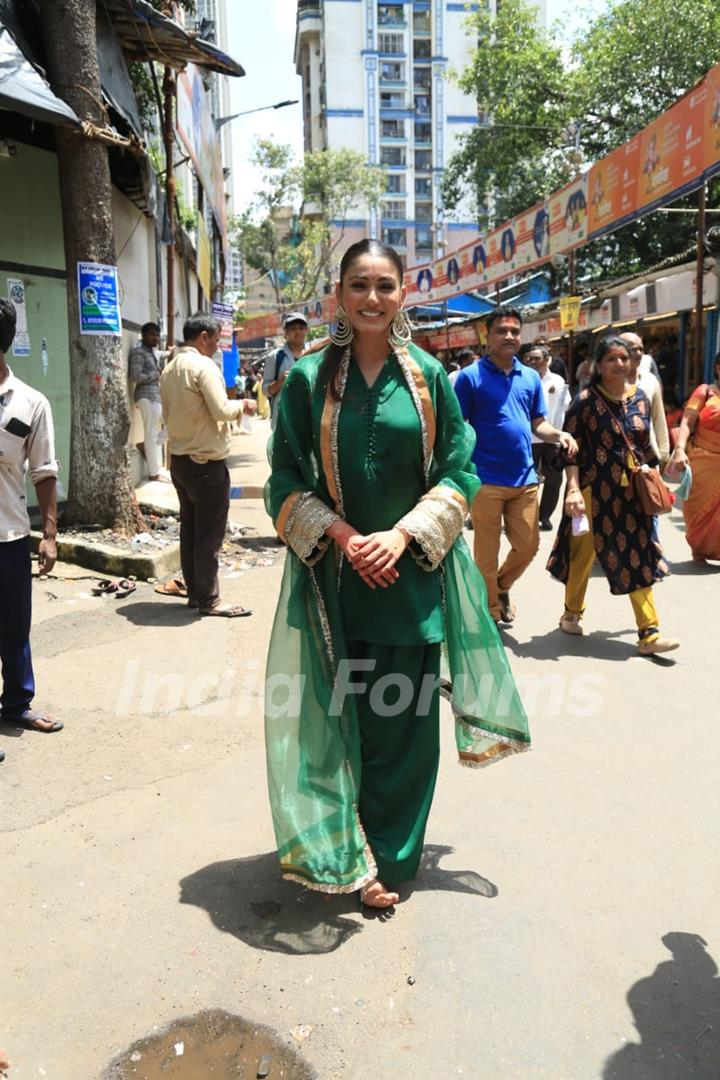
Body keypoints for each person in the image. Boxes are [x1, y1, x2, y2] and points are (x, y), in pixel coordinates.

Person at [264, 240, 529, 908]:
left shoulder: (430, 377)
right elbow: (284, 478)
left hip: (410, 578)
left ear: (403, 293)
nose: (372, 299)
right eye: (359, 285)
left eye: (385, 285)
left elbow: (458, 470)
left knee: (406, 727)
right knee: (342, 719)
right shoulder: (308, 378)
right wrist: (349, 537)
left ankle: (389, 856)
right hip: (337, 581)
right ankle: (345, 846)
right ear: (339, 296)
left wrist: (402, 533)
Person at [547, 336, 678, 655]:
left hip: (630, 493)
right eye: (612, 359)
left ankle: (649, 633)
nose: (620, 363)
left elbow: (644, 446)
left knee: (637, 554)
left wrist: (655, 476)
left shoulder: (642, 399)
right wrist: (574, 490)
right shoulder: (585, 400)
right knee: (582, 556)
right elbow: (571, 451)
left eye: (624, 358)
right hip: (593, 491)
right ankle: (571, 613)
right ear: (597, 365)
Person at [454, 306, 577, 624]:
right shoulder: (470, 378)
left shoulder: (530, 377)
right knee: (486, 552)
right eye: (501, 330)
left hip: (524, 478)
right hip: (485, 480)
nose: (509, 336)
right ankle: (490, 610)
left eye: (514, 331)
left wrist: (559, 434)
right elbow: (457, 427)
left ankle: (501, 586)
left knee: (528, 546)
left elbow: (538, 423)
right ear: (488, 334)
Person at [0, 297, 63, 763]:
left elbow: (44, 471)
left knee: (14, 626)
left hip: (9, 534)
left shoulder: (29, 403)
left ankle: (17, 704)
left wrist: (50, 534)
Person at [160, 312, 256, 617]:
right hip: (205, 463)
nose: (217, 346)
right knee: (209, 535)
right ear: (203, 337)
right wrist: (243, 405)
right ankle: (209, 600)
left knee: (190, 530)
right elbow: (221, 410)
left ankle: (196, 593)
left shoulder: (170, 368)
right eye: (215, 339)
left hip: (180, 461)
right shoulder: (202, 366)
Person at [667, 352, 720, 563]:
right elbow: (687, 422)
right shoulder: (706, 392)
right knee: (697, 510)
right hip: (702, 462)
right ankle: (700, 549)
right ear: (718, 368)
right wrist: (679, 449)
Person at [528, 344, 571, 530]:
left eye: (536, 358)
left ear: (547, 360)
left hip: (552, 437)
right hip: (528, 438)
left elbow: (565, 407)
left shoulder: (558, 381)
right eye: (529, 358)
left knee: (554, 478)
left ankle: (545, 516)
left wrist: (561, 433)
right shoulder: (522, 379)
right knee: (528, 480)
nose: (532, 362)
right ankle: (528, 516)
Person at [619, 331, 670, 466]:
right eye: (633, 349)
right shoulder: (609, 382)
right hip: (616, 459)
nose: (638, 353)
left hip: (648, 460)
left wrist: (664, 455)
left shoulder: (650, 381)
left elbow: (659, 418)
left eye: (641, 349)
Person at [128, 321, 169, 482]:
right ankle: (153, 474)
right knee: (152, 433)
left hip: (155, 397)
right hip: (145, 397)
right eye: (152, 334)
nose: (155, 337)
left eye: (157, 335)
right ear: (143, 335)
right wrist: (155, 375)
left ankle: (145, 446)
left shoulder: (152, 352)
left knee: (173, 425)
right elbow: (135, 376)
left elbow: (163, 354)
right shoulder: (138, 352)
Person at [262, 312, 308, 430]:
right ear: (286, 333)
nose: (298, 332)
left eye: (301, 328)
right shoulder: (275, 357)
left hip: (310, 417)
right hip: (283, 419)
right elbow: (265, 390)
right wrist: (281, 381)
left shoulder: (316, 354)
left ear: (307, 330)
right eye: (293, 328)